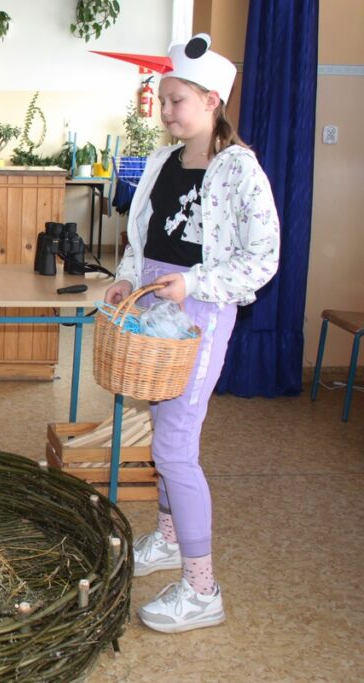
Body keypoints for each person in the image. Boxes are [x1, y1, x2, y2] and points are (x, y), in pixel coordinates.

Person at [102, 34, 280, 633]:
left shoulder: (238, 170)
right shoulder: (163, 162)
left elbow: (263, 258)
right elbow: (143, 238)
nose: (167, 109)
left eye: (178, 99)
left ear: (211, 101)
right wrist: (129, 279)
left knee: (176, 447)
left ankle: (202, 590)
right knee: (163, 434)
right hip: (155, 311)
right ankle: (173, 540)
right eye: (164, 98)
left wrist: (195, 283)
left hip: (198, 315)